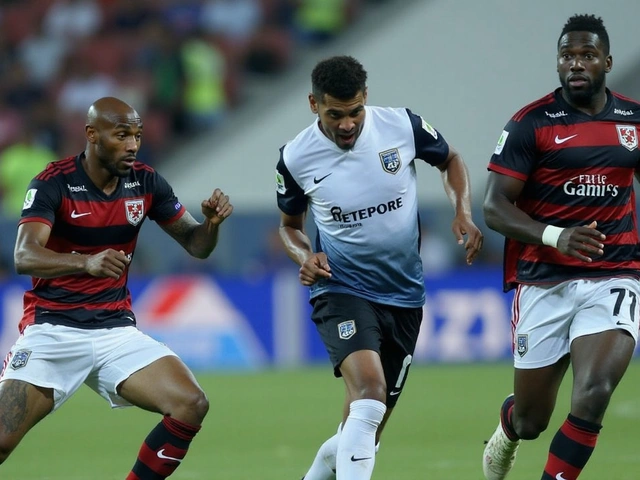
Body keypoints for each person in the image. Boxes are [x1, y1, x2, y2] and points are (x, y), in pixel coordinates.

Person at [0, 97, 233, 478]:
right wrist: (84, 262)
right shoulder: (53, 182)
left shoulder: (146, 182)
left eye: (137, 135)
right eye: (121, 134)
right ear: (92, 134)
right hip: (53, 330)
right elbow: (24, 255)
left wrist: (210, 225)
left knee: (191, 403)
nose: (132, 145)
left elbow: (196, 245)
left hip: (115, 331)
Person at [275, 55, 483, 480]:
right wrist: (304, 256)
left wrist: (462, 210)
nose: (348, 124)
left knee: (365, 431)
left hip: (405, 294)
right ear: (314, 105)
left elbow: (451, 160)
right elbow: (289, 227)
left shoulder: (401, 126)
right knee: (369, 396)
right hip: (341, 287)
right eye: (336, 115)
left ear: (366, 98)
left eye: (355, 112)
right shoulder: (296, 158)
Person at [482, 14, 640, 480]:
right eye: (567, 55)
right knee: (532, 421)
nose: (576, 63)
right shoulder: (531, 123)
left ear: (607, 62)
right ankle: (508, 427)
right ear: (558, 64)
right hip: (545, 278)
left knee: (594, 392)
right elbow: (494, 207)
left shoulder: (633, 121)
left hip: (616, 273)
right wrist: (556, 235)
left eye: (587, 55)